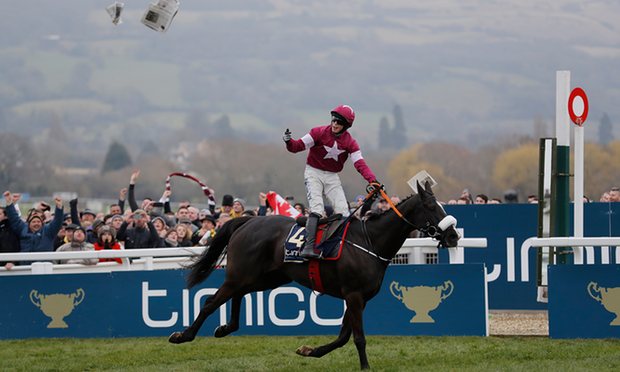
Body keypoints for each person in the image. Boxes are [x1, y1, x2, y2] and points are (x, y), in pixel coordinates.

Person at [283, 104, 379, 258]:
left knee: (343, 211)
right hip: (313, 172)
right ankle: (308, 247)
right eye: (334, 120)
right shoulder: (318, 132)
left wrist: (372, 180)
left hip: (332, 176)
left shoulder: (351, 143)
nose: (334, 124)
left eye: (339, 122)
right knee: (317, 208)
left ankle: (338, 245)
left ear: (346, 125)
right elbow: (297, 146)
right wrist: (289, 141)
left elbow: (360, 163)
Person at [4, 191, 64, 255]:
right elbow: (14, 218)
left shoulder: (48, 231)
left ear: (42, 223)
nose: (36, 224)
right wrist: (9, 203)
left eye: (38, 222)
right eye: (33, 222)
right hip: (26, 263)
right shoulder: (23, 228)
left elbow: (58, 221)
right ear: (29, 223)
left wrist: (59, 208)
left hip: (44, 263)